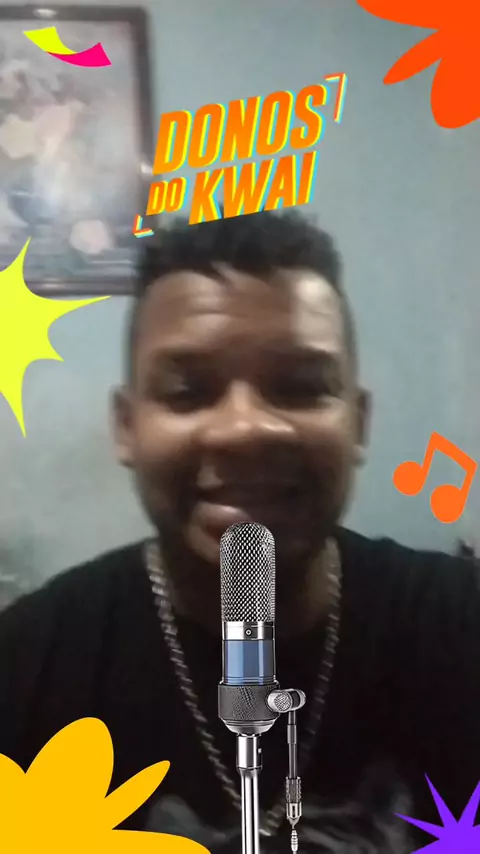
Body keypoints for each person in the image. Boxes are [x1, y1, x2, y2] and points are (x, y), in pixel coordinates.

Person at [0, 210, 479, 853]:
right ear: (127, 426)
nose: (245, 429)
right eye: (187, 391)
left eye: (301, 387)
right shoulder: (26, 667)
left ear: (359, 423)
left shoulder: (460, 628)